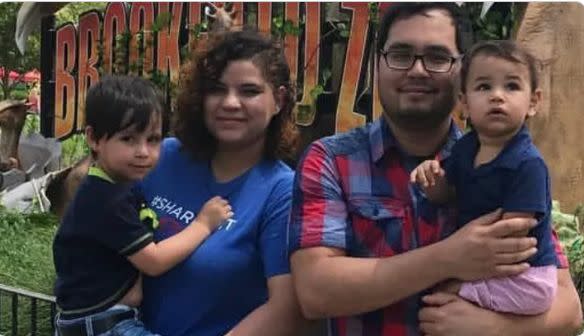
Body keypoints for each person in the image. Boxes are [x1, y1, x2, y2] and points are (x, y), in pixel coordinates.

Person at [288, 3, 582, 336]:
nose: (417, 70)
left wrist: (495, 327)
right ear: (377, 66)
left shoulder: (504, 161)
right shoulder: (330, 161)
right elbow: (315, 292)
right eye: (400, 54)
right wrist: (449, 258)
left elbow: (567, 307)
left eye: (438, 57)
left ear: (462, 76)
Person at [138, 29, 306, 336]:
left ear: (279, 100)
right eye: (217, 89)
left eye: (249, 91)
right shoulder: (163, 157)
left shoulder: (282, 192)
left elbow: (286, 309)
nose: (230, 103)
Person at [53, 75, 232, 336]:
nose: (143, 152)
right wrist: (203, 225)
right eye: (128, 139)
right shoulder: (105, 200)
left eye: (153, 139)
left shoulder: (115, 187)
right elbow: (154, 261)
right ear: (93, 139)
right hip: (103, 324)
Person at [410, 40, 557, 315]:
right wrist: (431, 179)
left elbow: (515, 232)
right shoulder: (466, 148)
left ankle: (466, 294)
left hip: (525, 275)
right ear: (464, 103)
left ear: (533, 102)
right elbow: (446, 194)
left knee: (443, 295)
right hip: (481, 264)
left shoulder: (527, 164)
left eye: (511, 86)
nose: (497, 96)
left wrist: (461, 277)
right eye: (483, 87)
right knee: (438, 304)